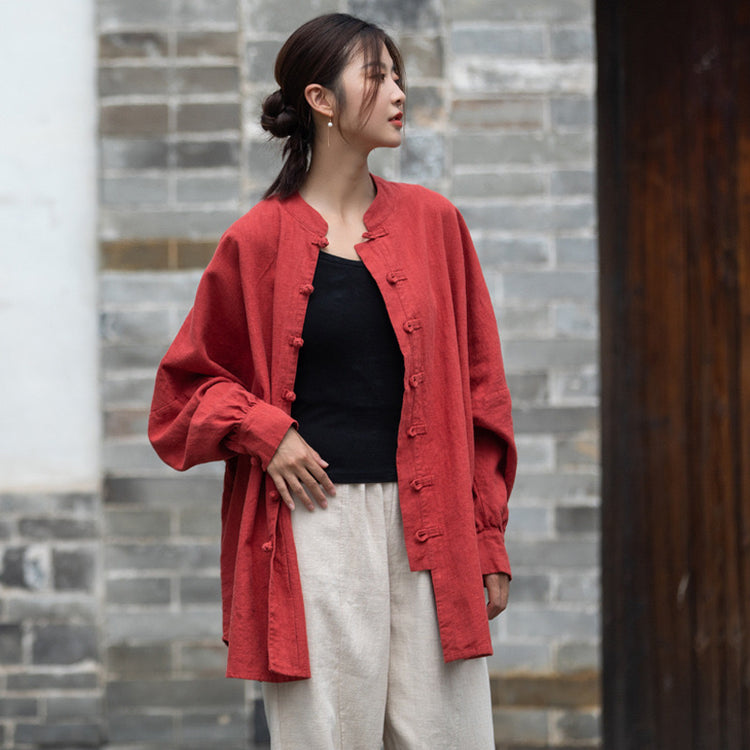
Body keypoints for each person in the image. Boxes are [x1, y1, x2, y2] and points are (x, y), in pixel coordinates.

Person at [148, 12, 516, 750]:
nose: (399, 92)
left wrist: (487, 537)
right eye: (377, 76)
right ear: (320, 99)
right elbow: (181, 394)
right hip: (314, 533)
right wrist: (265, 432)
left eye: (399, 75)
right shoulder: (256, 239)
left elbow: (484, 396)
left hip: (433, 533)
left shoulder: (436, 223)